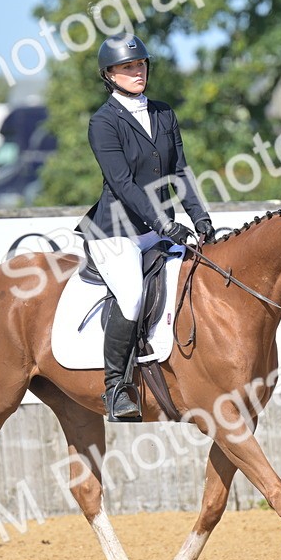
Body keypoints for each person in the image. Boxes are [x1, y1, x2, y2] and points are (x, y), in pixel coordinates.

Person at [79, 33, 214, 421]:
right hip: (115, 232)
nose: (136, 72)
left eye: (140, 65)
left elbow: (180, 171)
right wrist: (164, 223)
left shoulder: (163, 113)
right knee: (133, 296)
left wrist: (200, 218)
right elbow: (122, 184)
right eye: (127, 67)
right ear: (109, 75)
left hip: (159, 227)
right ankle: (116, 388)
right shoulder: (103, 123)